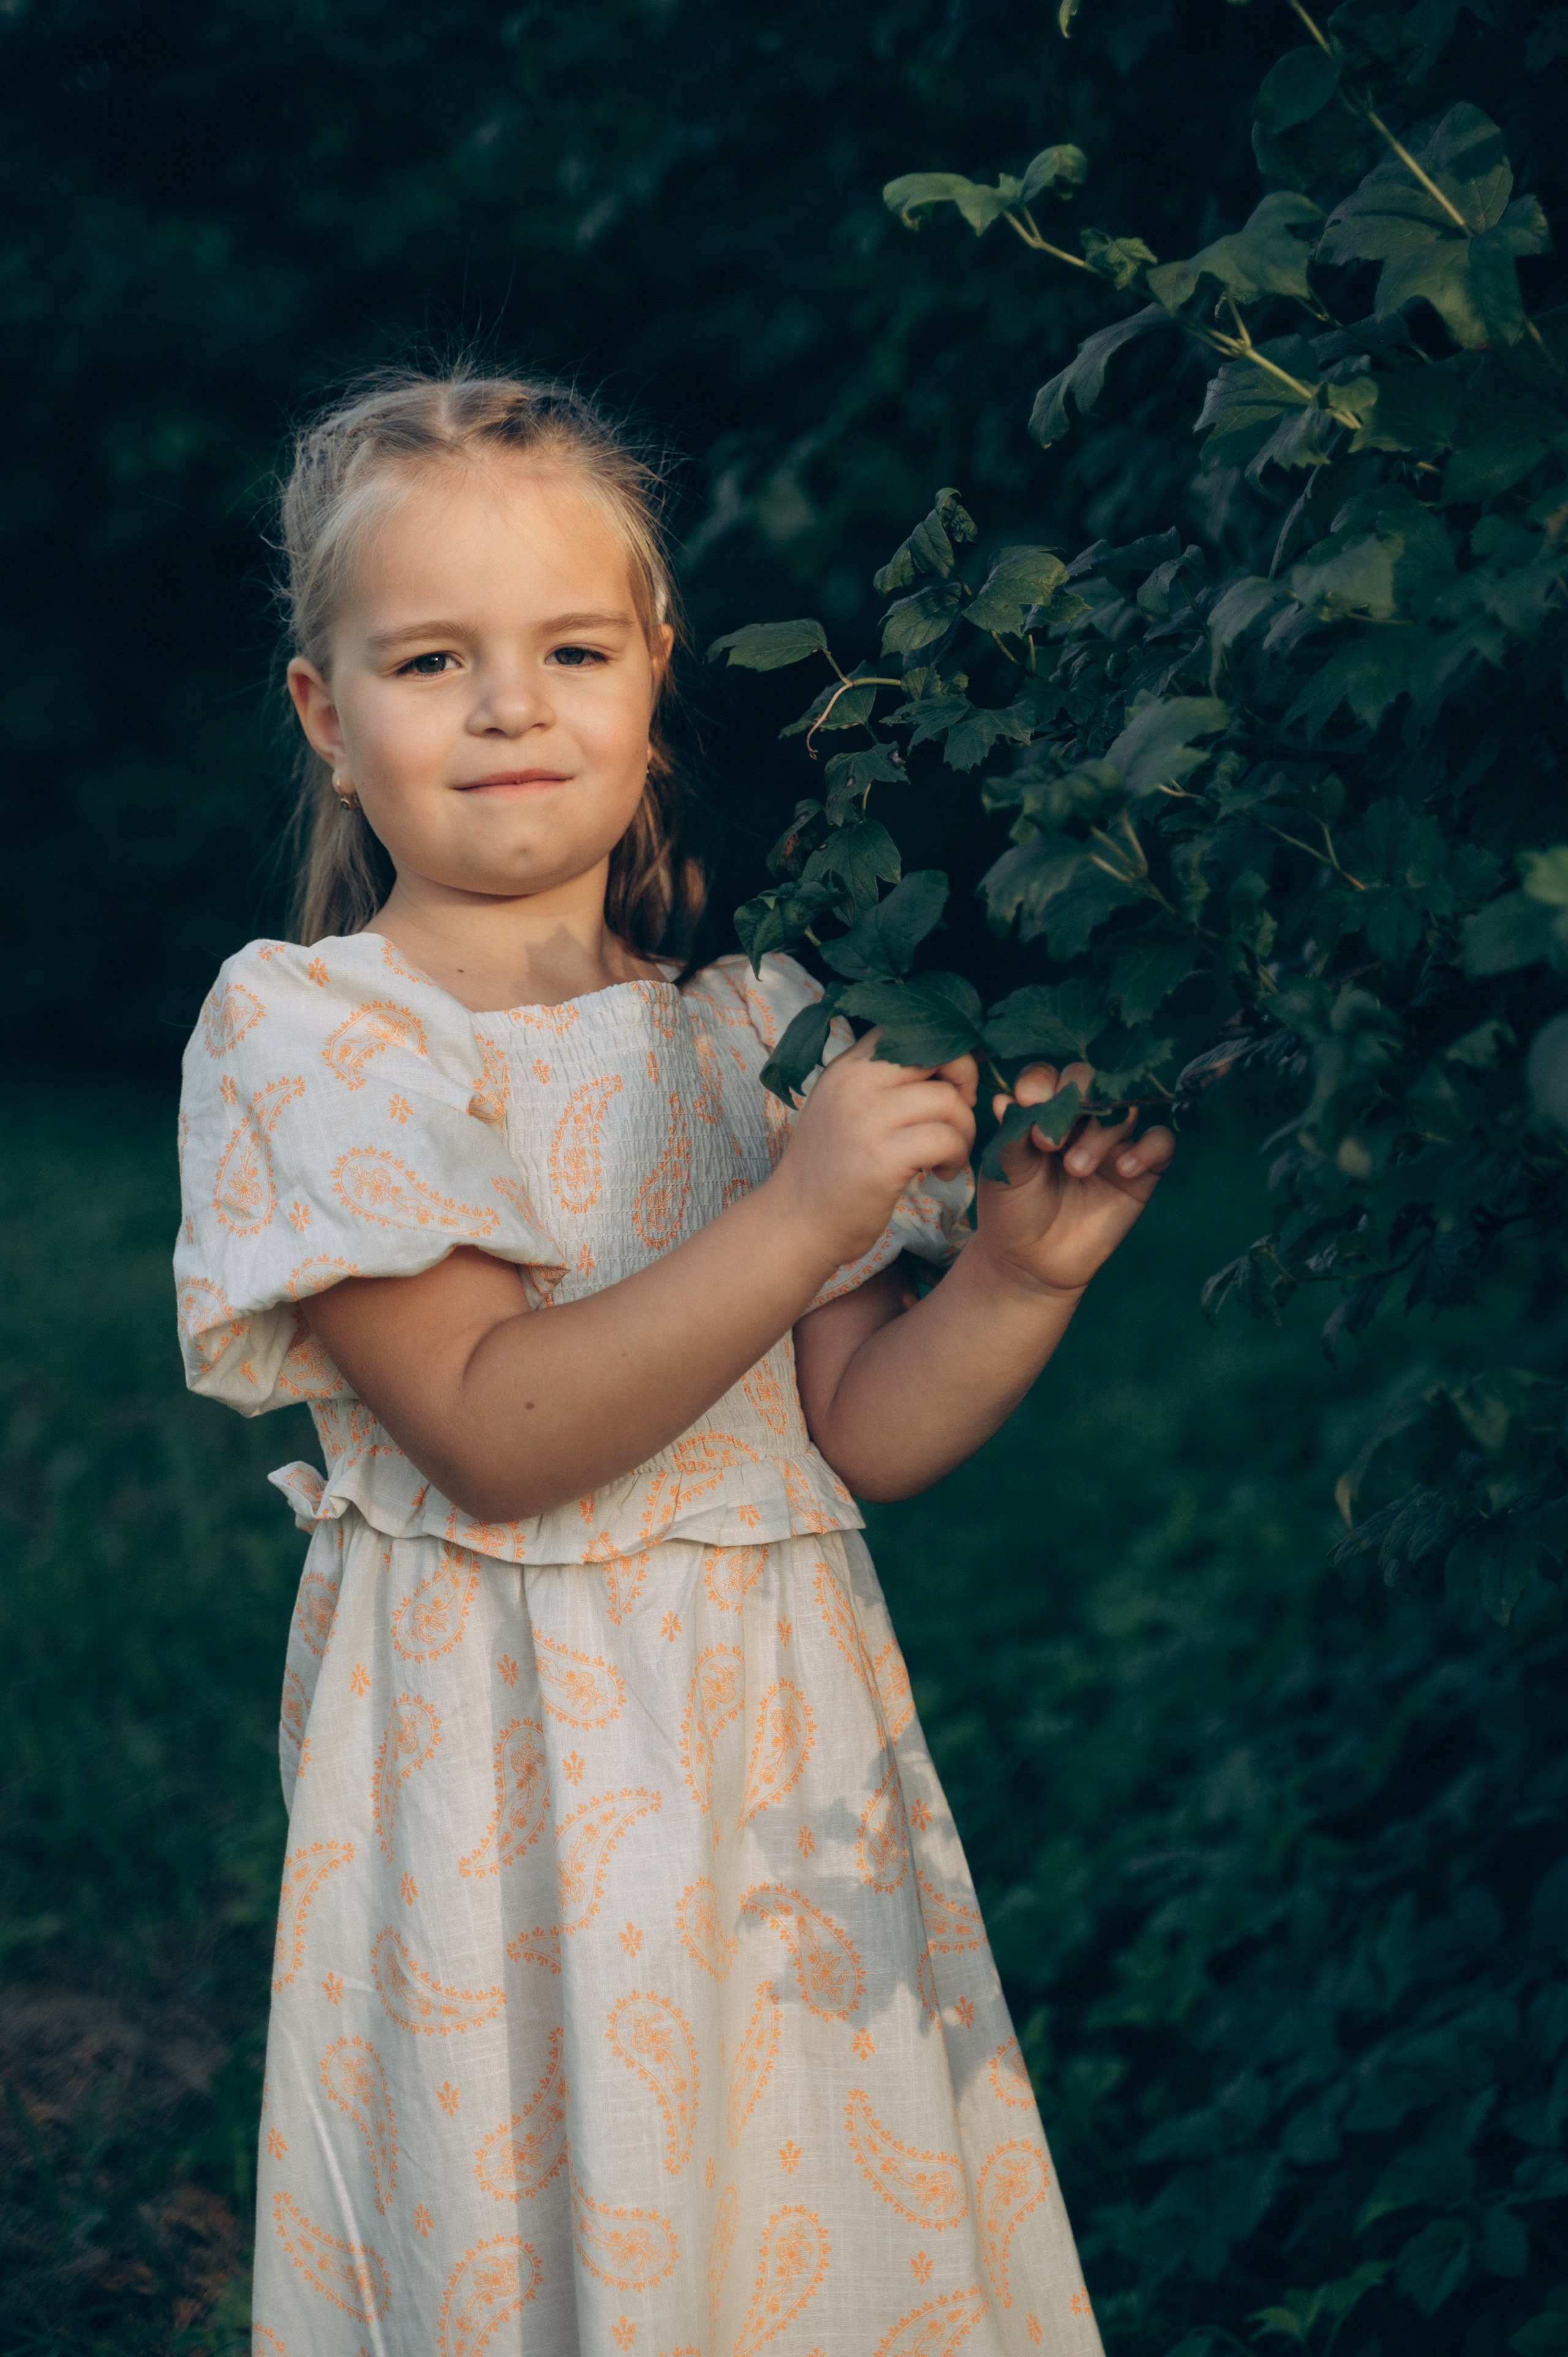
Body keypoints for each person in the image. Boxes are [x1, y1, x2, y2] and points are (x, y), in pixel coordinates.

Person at [174, 366, 1174, 2356]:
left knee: (792, 2192)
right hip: (500, 1785)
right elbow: (486, 1429)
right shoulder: (318, 1038)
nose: (508, 706)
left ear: (651, 675)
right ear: (327, 714)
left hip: (776, 1763)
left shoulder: (757, 1027)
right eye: (432, 658)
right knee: (529, 2216)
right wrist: (795, 1215)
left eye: (567, 649)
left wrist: (1021, 1282)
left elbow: (857, 1431)